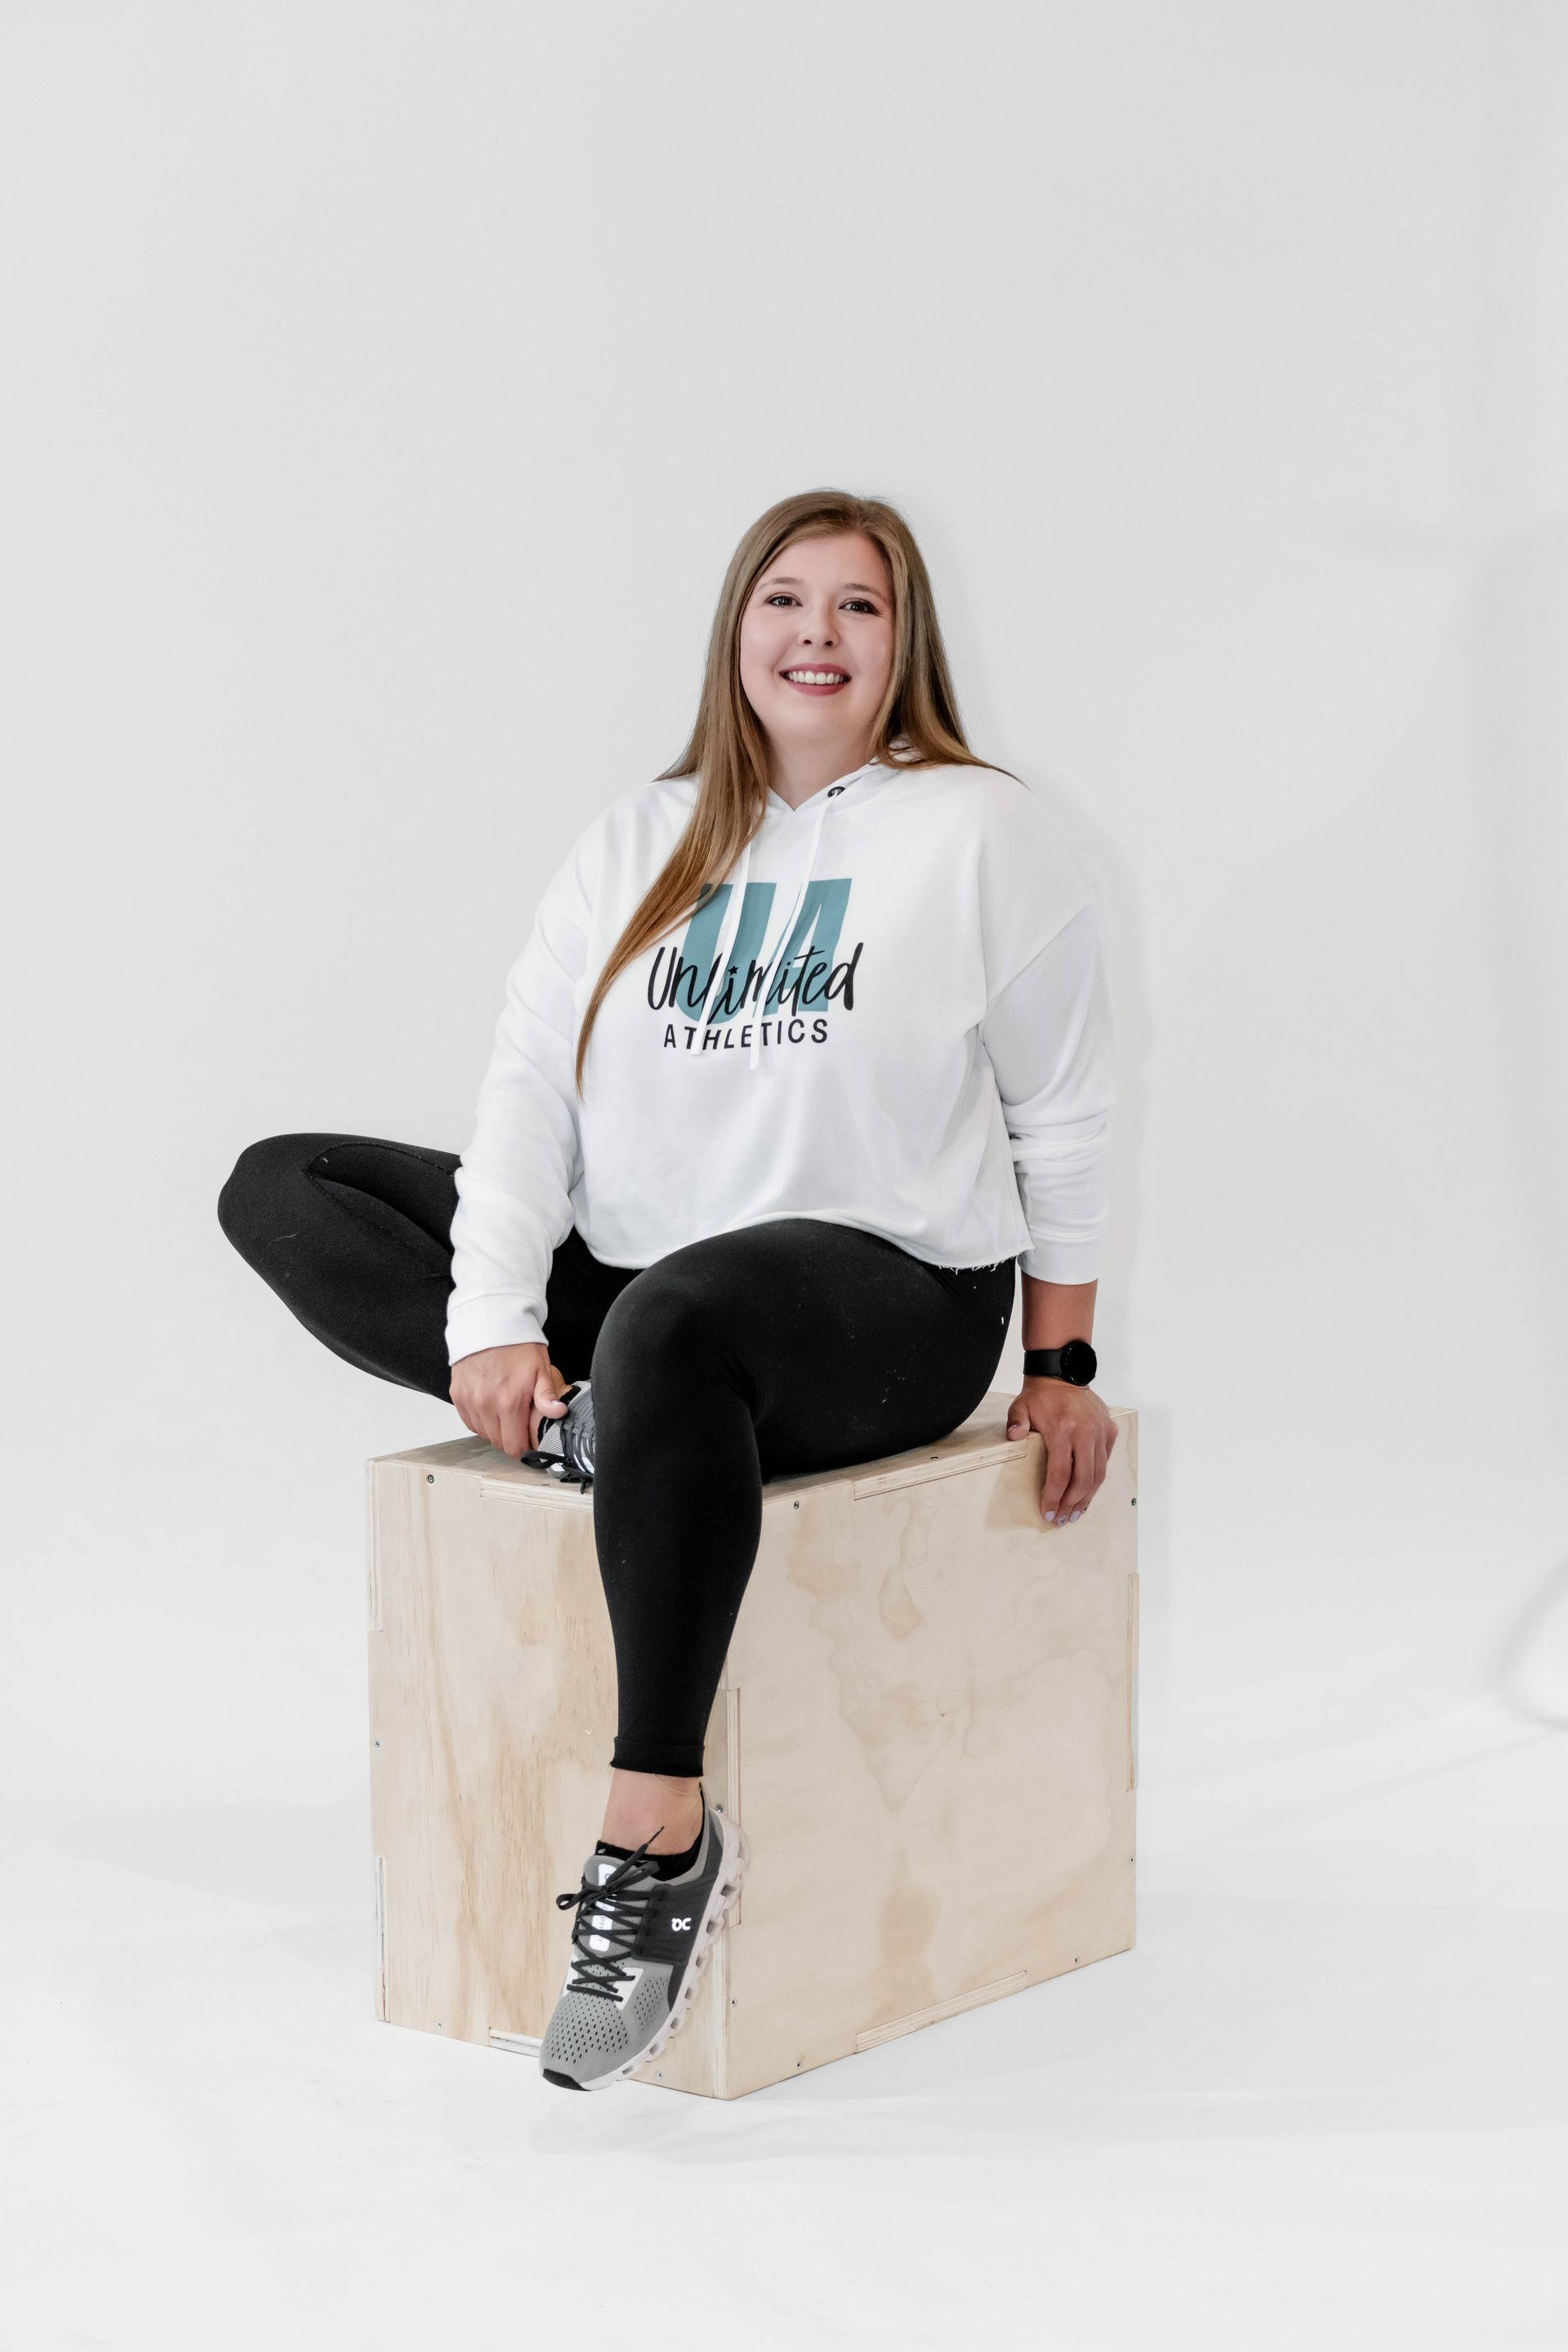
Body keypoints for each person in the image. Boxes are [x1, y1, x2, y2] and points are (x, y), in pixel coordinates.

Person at [217, 487, 1118, 2091]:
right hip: (649, 1282)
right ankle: (598, 1429)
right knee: (286, 1187)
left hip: (891, 1289)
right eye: (787, 600)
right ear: (737, 630)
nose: (818, 636)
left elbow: (1064, 1110)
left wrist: (1065, 1358)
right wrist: (492, 1323)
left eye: (859, 606)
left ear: (905, 642)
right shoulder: (640, 836)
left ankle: (656, 1825)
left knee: (675, 1319)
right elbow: (527, 1093)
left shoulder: (983, 831)